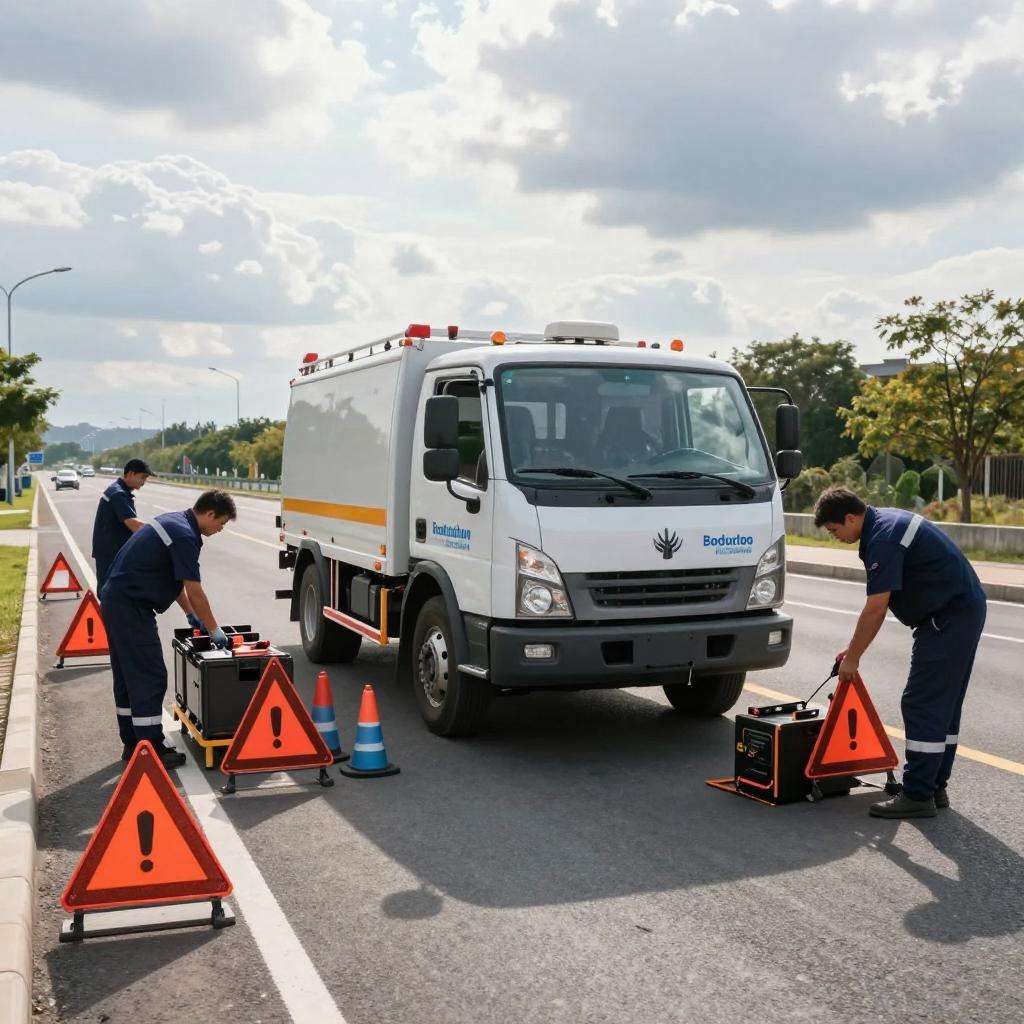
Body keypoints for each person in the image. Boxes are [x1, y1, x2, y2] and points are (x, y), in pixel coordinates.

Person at [813, 487, 987, 819]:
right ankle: (934, 786)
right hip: (962, 610)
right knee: (943, 706)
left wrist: (853, 659)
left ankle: (919, 794)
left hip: (947, 617)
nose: (835, 538)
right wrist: (852, 649)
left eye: (835, 531)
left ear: (851, 518)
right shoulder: (885, 522)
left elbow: (876, 608)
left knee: (921, 702)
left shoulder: (883, 537)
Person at [99, 489, 237, 768]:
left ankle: (133, 744)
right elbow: (194, 589)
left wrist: (189, 614)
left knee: (128, 676)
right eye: (221, 523)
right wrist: (214, 630)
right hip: (131, 607)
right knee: (150, 675)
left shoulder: (175, 521)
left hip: (117, 601)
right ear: (209, 514)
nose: (220, 529)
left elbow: (170, 577)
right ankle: (152, 748)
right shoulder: (186, 535)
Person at [91, 458, 150, 589]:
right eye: (143, 477)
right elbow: (132, 523)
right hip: (110, 553)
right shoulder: (118, 493)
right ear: (130, 474)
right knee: (109, 592)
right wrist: (156, 532)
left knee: (117, 592)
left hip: (115, 551)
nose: (144, 482)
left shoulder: (121, 491)